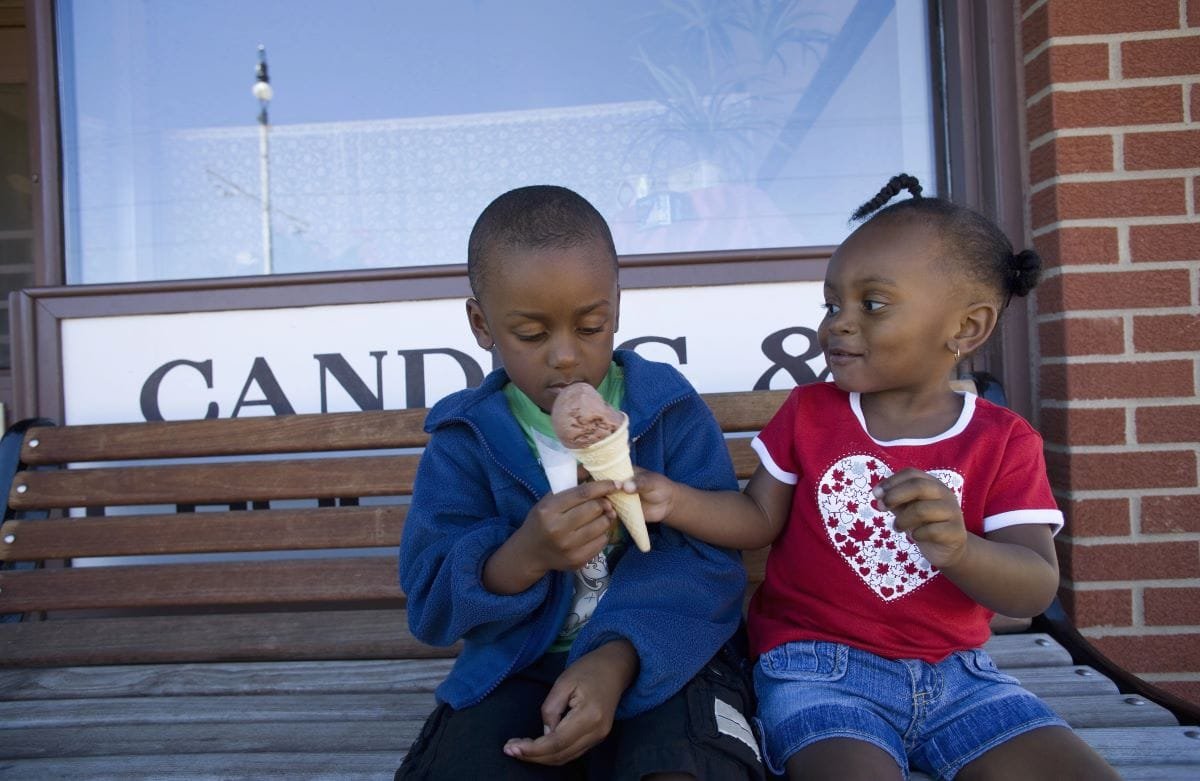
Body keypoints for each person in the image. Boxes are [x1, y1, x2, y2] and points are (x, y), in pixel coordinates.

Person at [628, 175, 1120, 780]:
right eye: (832, 304)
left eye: (873, 304)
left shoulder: (1003, 441)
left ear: (965, 329)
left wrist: (960, 550)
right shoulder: (811, 414)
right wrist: (672, 499)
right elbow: (757, 520)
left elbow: (1034, 588)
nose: (838, 322)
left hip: (960, 678)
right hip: (816, 670)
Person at [396, 185, 765, 780]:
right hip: (520, 665)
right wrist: (522, 556)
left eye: (590, 327)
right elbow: (432, 604)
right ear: (481, 323)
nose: (566, 358)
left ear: (615, 309)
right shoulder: (466, 440)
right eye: (533, 335)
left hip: (667, 654)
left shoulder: (667, 411)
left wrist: (616, 660)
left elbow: (708, 562)